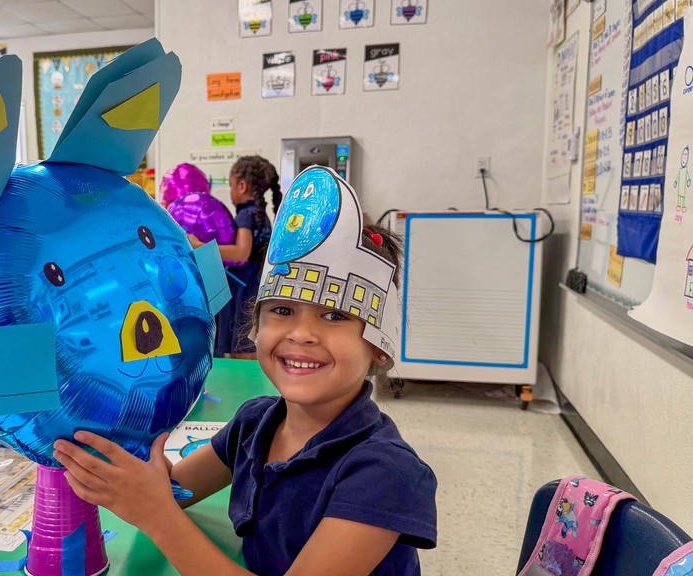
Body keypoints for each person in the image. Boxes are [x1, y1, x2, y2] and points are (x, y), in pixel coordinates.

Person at [54, 166, 438, 576]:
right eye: (283, 311)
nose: (302, 333)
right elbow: (175, 491)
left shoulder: (384, 474)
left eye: (334, 315)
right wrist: (129, 435)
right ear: (257, 326)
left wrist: (158, 518)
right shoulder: (254, 423)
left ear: (380, 345)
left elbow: (163, 510)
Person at [188, 155, 277, 359]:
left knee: (242, 349)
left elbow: (241, 252)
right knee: (249, 344)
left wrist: (199, 246)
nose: (230, 192)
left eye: (231, 185)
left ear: (242, 186)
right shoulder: (261, 215)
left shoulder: (245, 215)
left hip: (244, 292)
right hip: (256, 287)